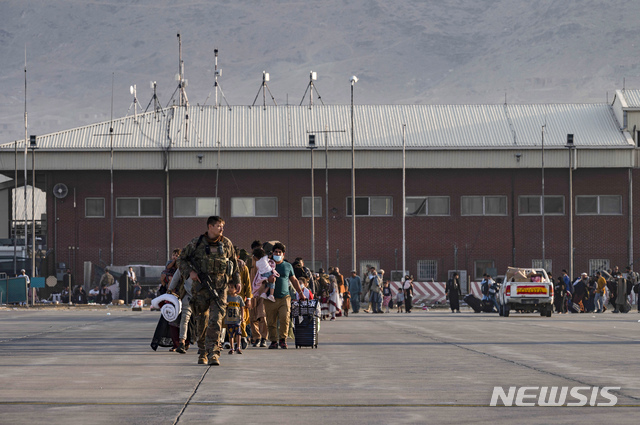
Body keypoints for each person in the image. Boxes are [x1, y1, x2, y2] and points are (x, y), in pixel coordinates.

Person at [179, 216, 240, 366]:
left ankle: (214, 353)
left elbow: (234, 262)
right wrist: (190, 273)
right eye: (219, 226)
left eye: (222, 226)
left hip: (220, 289)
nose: (221, 229)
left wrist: (237, 281)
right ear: (210, 227)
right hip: (200, 290)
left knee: (216, 320)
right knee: (202, 321)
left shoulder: (226, 243)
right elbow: (181, 259)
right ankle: (202, 352)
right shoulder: (196, 243)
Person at [263, 242, 306, 349]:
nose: (277, 253)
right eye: (275, 252)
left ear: (283, 254)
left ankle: (282, 339)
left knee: (285, 318)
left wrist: (300, 293)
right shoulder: (267, 265)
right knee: (271, 321)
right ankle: (273, 341)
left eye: (279, 252)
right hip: (270, 298)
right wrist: (267, 279)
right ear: (272, 253)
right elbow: (260, 280)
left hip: (284, 298)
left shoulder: (288, 266)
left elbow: (294, 280)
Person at [247, 241, 268, 348]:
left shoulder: (266, 262)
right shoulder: (249, 262)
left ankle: (264, 338)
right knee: (252, 317)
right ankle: (256, 337)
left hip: (262, 292)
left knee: (262, 316)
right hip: (251, 292)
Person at [224, 284, 245, 354]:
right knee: (230, 334)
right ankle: (231, 348)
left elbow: (242, 307)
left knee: (238, 333)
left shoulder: (239, 298)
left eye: (232, 287)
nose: (230, 289)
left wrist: (242, 316)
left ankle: (238, 347)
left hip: (237, 319)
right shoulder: (227, 298)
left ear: (236, 289)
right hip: (229, 319)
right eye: (229, 287)